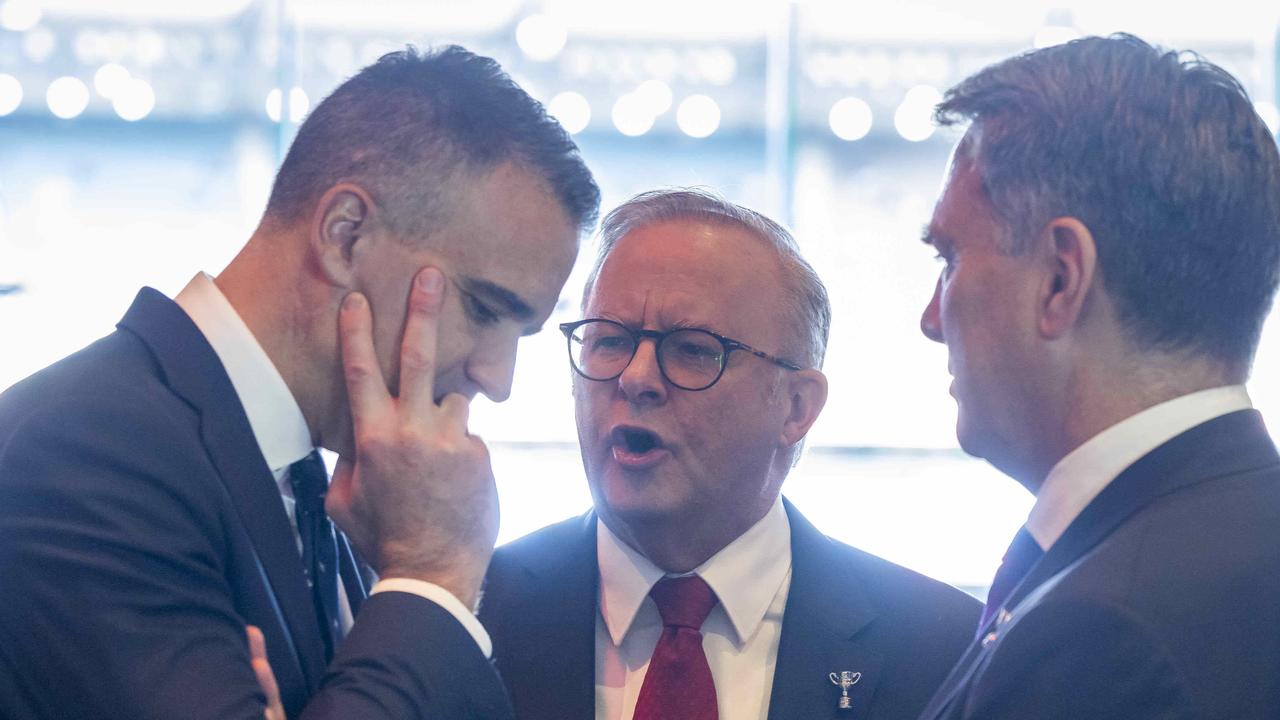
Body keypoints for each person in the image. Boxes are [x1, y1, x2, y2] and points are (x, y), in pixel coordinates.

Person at [0, 45, 600, 719]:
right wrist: (431, 577)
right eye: (484, 309)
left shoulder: (339, 493)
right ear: (344, 235)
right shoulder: (87, 452)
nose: (497, 379)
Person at [480, 189, 981, 720]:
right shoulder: (477, 615)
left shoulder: (943, 650)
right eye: (608, 340)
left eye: (693, 349)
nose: (635, 378)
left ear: (796, 408)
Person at [915, 34, 1280, 720]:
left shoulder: (1102, 632)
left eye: (950, 257)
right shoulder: (1244, 536)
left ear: (1059, 279)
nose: (931, 318)